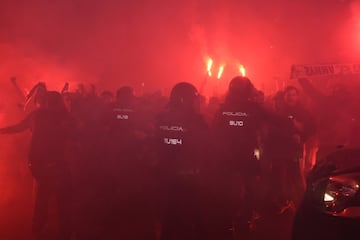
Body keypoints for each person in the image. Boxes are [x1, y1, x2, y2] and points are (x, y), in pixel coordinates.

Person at [0, 91, 73, 240]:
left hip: (40, 164)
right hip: (55, 163)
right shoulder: (63, 116)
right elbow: (76, 136)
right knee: (61, 199)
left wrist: (2, 130)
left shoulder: (38, 115)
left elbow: (18, 127)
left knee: (43, 197)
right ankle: (64, 232)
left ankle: (38, 229)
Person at [211, 76, 266, 239]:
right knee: (249, 188)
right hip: (244, 156)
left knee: (231, 190)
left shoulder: (224, 108)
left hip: (228, 157)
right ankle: (245, 220)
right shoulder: (252, 108)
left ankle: (229, 223)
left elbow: (216, 131)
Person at [154, 82, 209, 240]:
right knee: (194, 220)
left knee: (168, 221)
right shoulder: (196, 121)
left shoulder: (161, 118)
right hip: (189, 179)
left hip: (165, 177)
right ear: (186, 100)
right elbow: (207, 146)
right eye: (194, 99)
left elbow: (158, 142)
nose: (196, 103)